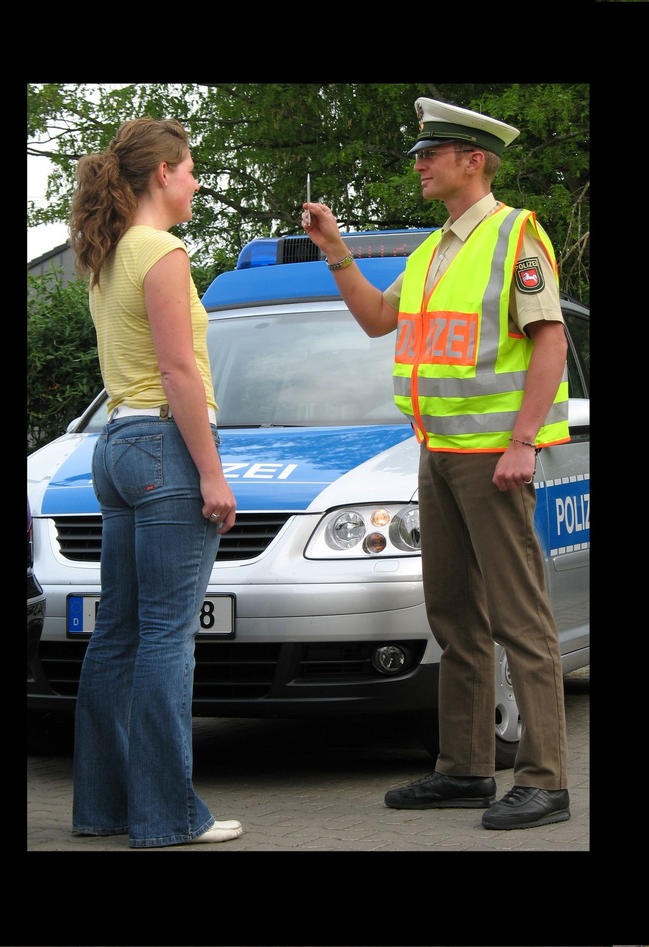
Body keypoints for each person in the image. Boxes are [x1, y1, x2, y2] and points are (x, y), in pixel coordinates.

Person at [302, 97, 572, 831]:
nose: (419, 164)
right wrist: (335, 249)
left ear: (473, 160)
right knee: (454, 616)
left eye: (431, 153)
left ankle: (546, 778)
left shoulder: (516, 235)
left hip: (493, 456)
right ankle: (464, 769)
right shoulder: (434, 249)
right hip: (439, 454)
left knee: (521, 619)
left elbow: (549, 341)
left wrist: (522, 440)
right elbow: (375, 319)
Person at [68, 117, 243, 848]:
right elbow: (178, 372)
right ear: (163, 174)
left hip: (114, 447)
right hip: (164, 449)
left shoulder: (107, 256)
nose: (198, 182)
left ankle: (103, 809)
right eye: (191, 169)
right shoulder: (164, 253)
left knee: (118, 635)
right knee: (166, 640)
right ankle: (169, 816)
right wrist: (213, 472)